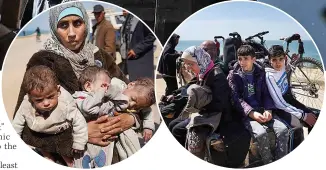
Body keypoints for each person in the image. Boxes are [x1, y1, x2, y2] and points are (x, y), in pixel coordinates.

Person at [13, 2, 138, 165]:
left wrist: (131, 118)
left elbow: (133, 94)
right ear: (53, 28)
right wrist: (75, 136)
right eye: (63, 25)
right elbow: (23, 127)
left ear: (86, 23)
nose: (72, 33)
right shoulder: (42, 61)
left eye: (77, 23)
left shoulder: (100, 56)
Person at [12, 65, 87, 167]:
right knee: (40, 144)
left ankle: (70, 163)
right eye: (39, 100)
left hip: (61, 129)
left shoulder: (65, 103)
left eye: (50, 97)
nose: (46, 103)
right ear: (30, 97)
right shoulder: (27, 103)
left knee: (65, 149)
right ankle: (47, 157)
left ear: (58, 90)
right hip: (40, 130)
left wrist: (79, 143)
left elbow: (79, 121)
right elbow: (18, 121)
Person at [227, 45, 289, 165]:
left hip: (263, 110)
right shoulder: (233, 75)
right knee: (261, 134)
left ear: (253, 59)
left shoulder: (260, 72)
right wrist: (251, 112)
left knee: (283, 130)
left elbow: (266, 93)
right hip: (246, 115)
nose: (242, 62)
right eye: (240, 58)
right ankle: (268, 162)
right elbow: (235, 98)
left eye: (246, 58)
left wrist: (268, 109)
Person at [169, 46, 231, 159]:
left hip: (214, 116)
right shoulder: (203, 73)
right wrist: (175, 94)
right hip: (203, 111)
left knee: (177, 130)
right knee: (173, 123)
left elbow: (220, 104)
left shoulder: (217, 76)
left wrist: (199, 107)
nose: (187, 68)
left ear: (200, 61)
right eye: (186, 64)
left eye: (191, 64)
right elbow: (190, 85)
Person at [265, 45, 317, 129]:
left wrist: (294, 58)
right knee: (297, 126)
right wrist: (303, 116)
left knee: (314, 118)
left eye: (280, 59)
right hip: (280, 107)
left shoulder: (284, 63)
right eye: (274, 60)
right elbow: (279, 103)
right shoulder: (270, 76)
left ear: (285, 58)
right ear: (270, 60)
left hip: (289, 99)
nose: (278, 63)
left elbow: (290, 62)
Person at [120, 11, 156, 81]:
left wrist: (136, 50)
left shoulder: (146, 15)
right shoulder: (129, 16)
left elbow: (152, 35)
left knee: (142, 86)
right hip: (129, 61)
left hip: (141, 61)